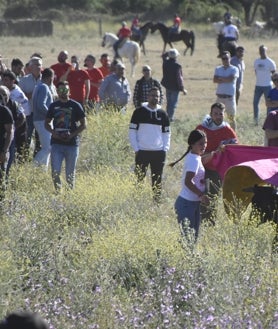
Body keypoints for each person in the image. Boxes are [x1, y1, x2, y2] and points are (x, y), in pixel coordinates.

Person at [195, 102, 238, 220]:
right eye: (215, 114)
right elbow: (193, 148)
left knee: (212, 196)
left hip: (216, 169)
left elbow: (235, 148)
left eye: (221, 114)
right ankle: (198, 221)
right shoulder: (202, 128)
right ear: (210, 114)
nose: (218, 116)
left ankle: (210, 223)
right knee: (198, 195)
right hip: (200, 167)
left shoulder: (227, 130)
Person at [129, 87, 171, 202]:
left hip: (158, 152)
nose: (155, 98)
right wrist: (136, 148)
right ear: (148, 97)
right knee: (139, 178)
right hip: (142, 151)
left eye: (157, 96)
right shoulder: (139, 112)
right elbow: (132, 131)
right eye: (152, 95)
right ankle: (137, 201)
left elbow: (167, 133)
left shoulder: (163, 114)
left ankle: (156, 201)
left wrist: (165, 149)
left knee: (157, 179)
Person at [45, 81, 86, 191]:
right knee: (55, 171)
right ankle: (58, 192)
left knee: (70, 174)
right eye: (61, 90)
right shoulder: (53, 106)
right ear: (57, 92)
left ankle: (69, 195)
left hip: (72, 144)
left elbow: (83, 125)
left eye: (66, 90)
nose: (64, 92)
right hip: (57, 143)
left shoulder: (75, 105)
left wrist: (72, 135)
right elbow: (47, 123)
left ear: (69, 91)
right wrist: (54, 134)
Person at [170, 130, 209, 240]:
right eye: (201, 143)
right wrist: (201, 195)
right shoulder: (194, 160)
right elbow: (188, 182)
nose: (204, 146)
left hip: (192, 203)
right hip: (187, 204)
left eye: (205, 143)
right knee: (188, 238)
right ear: (192, 144)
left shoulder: (196, 156)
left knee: (192, 237)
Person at [18, 56, 42, 157]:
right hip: (28, 114)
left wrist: (30, 95)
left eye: (40, 64)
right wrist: (34, 94)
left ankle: (37, 159)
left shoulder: (45, 79)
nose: (38, 66)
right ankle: (24, 158)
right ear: (31, 67)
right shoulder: (24, 80)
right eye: (36, 64)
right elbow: (19, 96)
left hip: (41, 114)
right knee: (26, 137)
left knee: (39, 138)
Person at [2, 70, 28, 160]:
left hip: (17, 125)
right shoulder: (4, 91)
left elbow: (23, 115)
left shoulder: (17, 94)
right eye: (3, 80)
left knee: (14, 149)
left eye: (6, 80)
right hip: (5, 125)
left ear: (13, 81)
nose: (3, 82)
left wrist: (13, 127)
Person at [32, 68, 54, 168]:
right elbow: (41, 104)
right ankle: (34, 167)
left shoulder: (38, 86)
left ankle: (43, 170)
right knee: (48, 147)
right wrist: (50, 114)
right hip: (43, 120)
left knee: (47, 147)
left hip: (40, 120)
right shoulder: (44, 87)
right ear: (50, 77)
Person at [0, 86, 25, 175]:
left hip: (9, 136)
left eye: (4, 94)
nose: (3, 97)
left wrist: (14, 127)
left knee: (8, 158)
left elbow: (22, 117)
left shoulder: (14, 104)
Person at [213, 51, 239, 130]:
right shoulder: (218, 69)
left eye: (227, 58)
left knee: (231, 118)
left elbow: (231, 79)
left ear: (230, 58)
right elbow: (215, 80)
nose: (225, 60)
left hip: (229, 98)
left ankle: (234, 136)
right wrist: (225, 79)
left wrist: (220, 78)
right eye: (223, 58)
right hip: (220, 97)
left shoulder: (234, 69)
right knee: (217, 117)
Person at [161, 48, 187, 122]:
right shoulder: (177, 66)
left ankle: (167, 117)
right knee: (173, 104)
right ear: (176, 56)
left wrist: (168, 52)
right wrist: (182, 88)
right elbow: (179, 78)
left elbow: (163, 56)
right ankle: (170, 119)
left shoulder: (165, 62)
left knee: (169, 103)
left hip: (167, 86)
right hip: (175, 88)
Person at [253, 45, 276, 125]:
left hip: (267, 86)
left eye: (263, 50)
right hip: (258, 85)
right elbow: (256, 72)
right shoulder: (256, 61)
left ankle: (269, 120)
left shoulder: (270, 62)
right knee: (255, 103)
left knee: (269, 104)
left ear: (266, 51)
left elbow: (274, 74)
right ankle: (256, 121)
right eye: (260, 51)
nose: (262, 52)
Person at [0, 97, 14, 199]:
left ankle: (2, 205)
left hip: (1, 149)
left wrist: (5, 151)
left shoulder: (4, 111)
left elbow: (10, 132)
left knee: (1, 178)